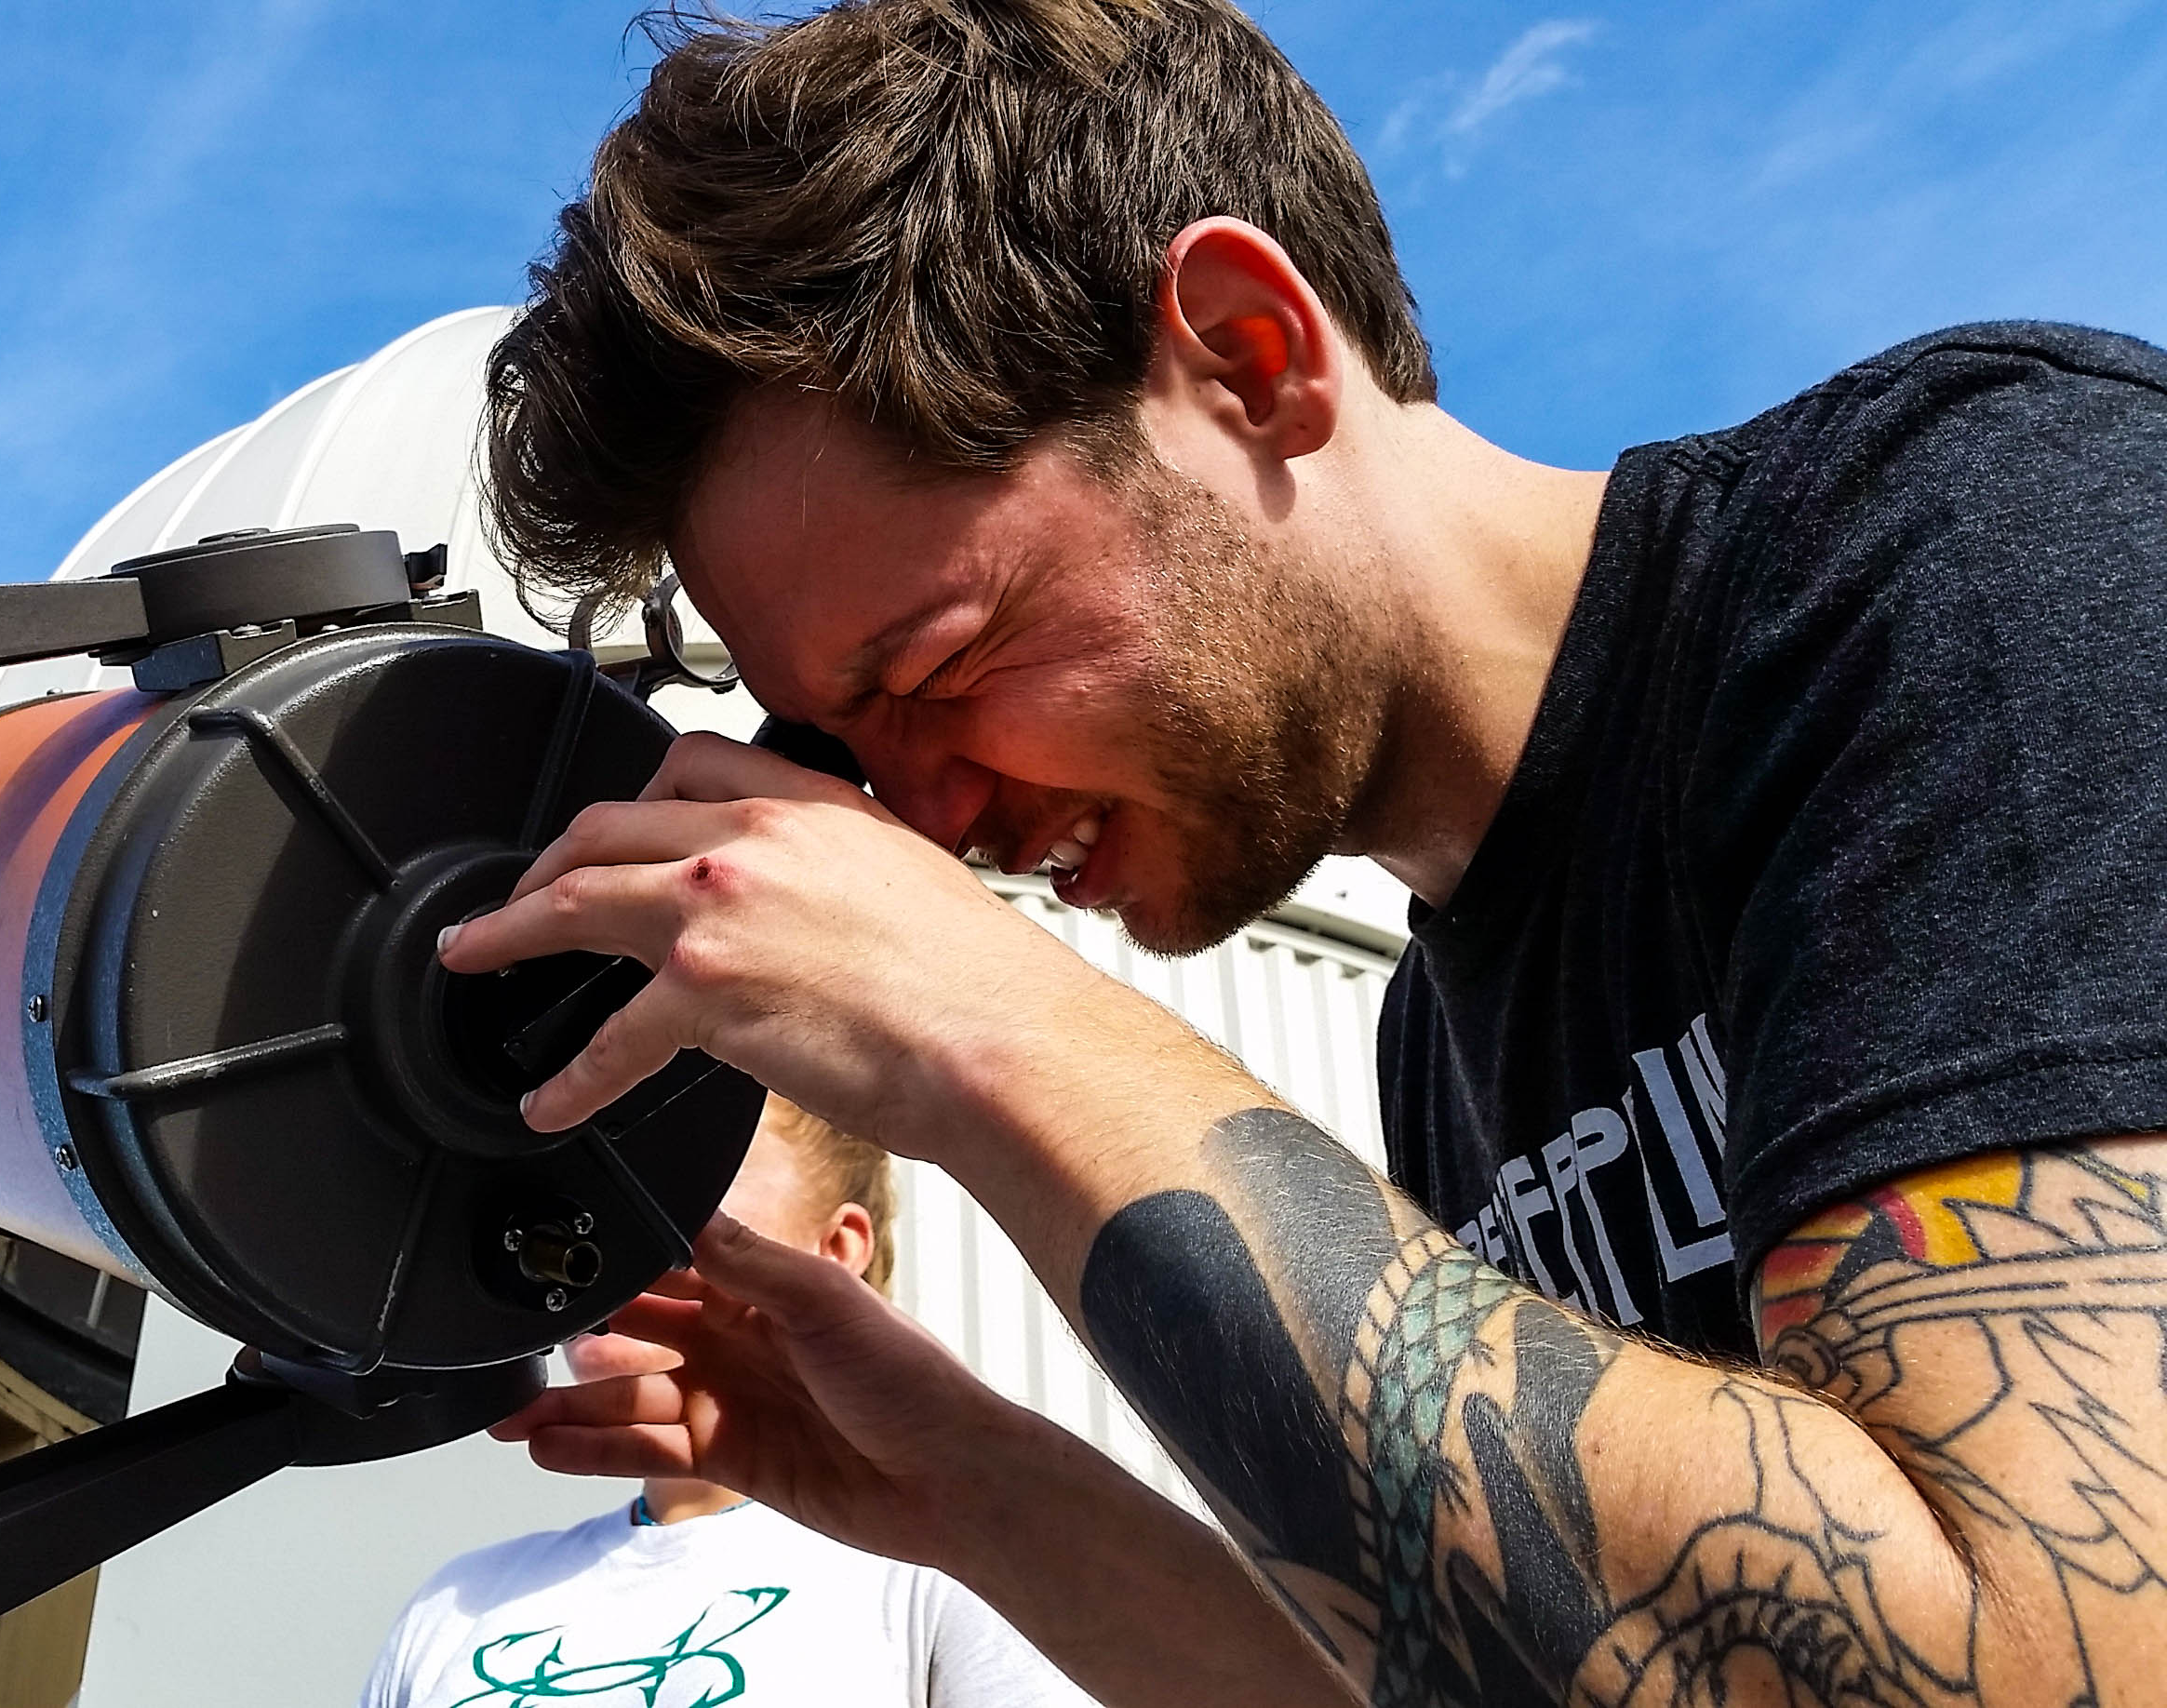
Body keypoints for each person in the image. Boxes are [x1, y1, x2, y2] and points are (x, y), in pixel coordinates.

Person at [429, 3, 2167, 1706]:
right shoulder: (1442, 1031)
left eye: (939, 666)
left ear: (1248, 357)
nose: (938, 828)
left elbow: (2043, 1659)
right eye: (849, 744)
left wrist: (993, 1027)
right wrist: (967, 1491)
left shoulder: (1970, 547)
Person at [360, 1096, 1096, 1708]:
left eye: (680, 1181)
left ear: (835, 1251)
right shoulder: (456, 1602)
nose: (612, 1222)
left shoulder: (951, 1559)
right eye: (593, 1179)